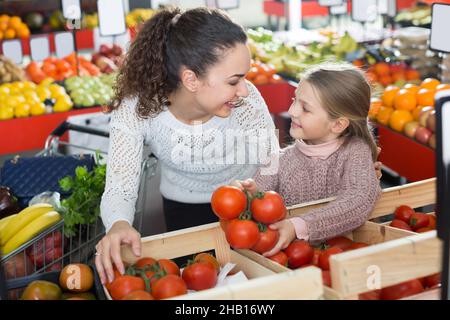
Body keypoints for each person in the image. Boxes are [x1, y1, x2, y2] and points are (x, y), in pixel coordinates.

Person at [95, 7, 279, 284]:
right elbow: (120, 185)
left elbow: (271, 162)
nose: (244, 89)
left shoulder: (246, 100)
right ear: (191, 79)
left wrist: (260, 197)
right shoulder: (138, 108)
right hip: (182, 209)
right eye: (233, 81)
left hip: (246, 209)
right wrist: (118, 223)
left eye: (245, 77)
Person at [233, 63, 382, 257]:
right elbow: (260, 195)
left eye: (305, 108)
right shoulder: (278, 159)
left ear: (338, 124)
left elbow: (358, 200)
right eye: (295, 100)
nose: (293, 111)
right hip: (294, 263)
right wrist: (250, 194)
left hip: (343, 257)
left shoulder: (355, 152)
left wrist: (298, 226)